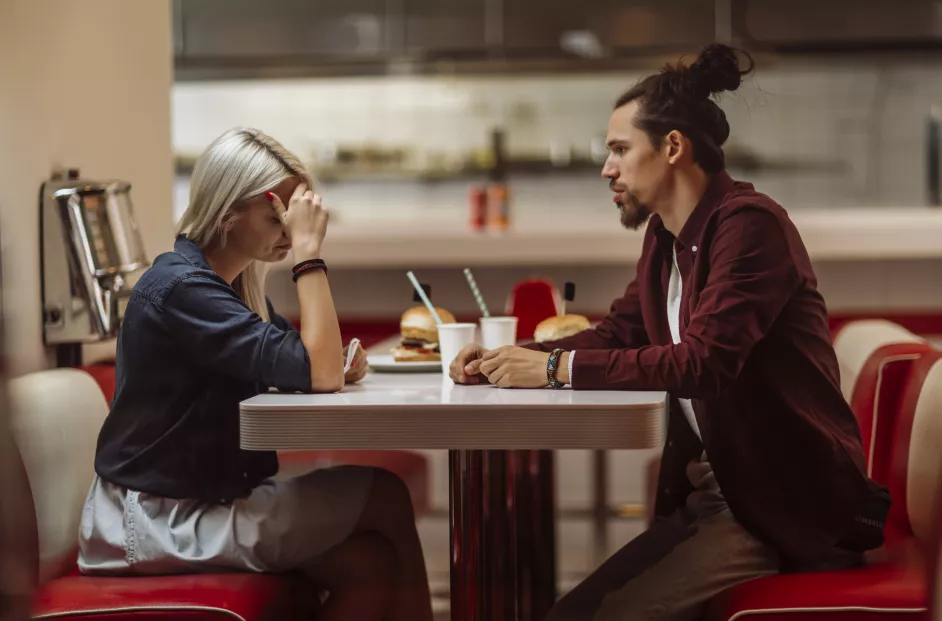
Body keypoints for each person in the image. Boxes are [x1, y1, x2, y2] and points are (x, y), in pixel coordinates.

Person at [450, 45, 890, 621]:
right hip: (721, 497)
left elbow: (703, 363)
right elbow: (620, 334)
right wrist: (517, 357)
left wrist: (554, 370)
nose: (607, 168)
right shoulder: (665, 238)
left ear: (673, 147)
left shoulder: (750, 227)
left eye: (619, 150)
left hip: (781, 506)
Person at [78, 128, 433, 621]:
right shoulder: (182, 288)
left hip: (205, 501)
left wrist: (329, 365)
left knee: (366, 566)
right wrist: (309, 253)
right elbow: (319, 371)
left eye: (292, 220)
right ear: (226, 212)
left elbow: (309, 364)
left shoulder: (229, 288)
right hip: (158, 521)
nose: (287, 233)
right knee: (385, 494)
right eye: (275, 218)